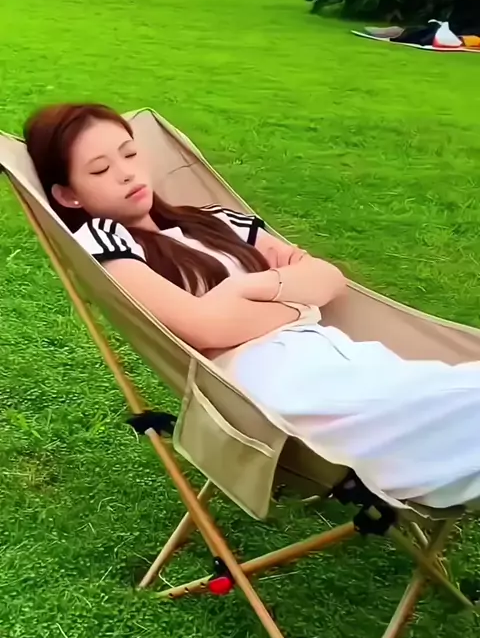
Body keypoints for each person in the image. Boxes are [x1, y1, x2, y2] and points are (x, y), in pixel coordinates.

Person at [24, 103, 480, 511]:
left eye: (129, 153)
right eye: (101, 169)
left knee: (454, 394)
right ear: (68, 195)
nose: (126, 173)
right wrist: (294, 302)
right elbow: (204, 328)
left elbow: (328, 278)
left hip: (339, 357)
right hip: (275, 384)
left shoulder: (213, 220)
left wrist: (245, 291)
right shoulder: (105, 242)